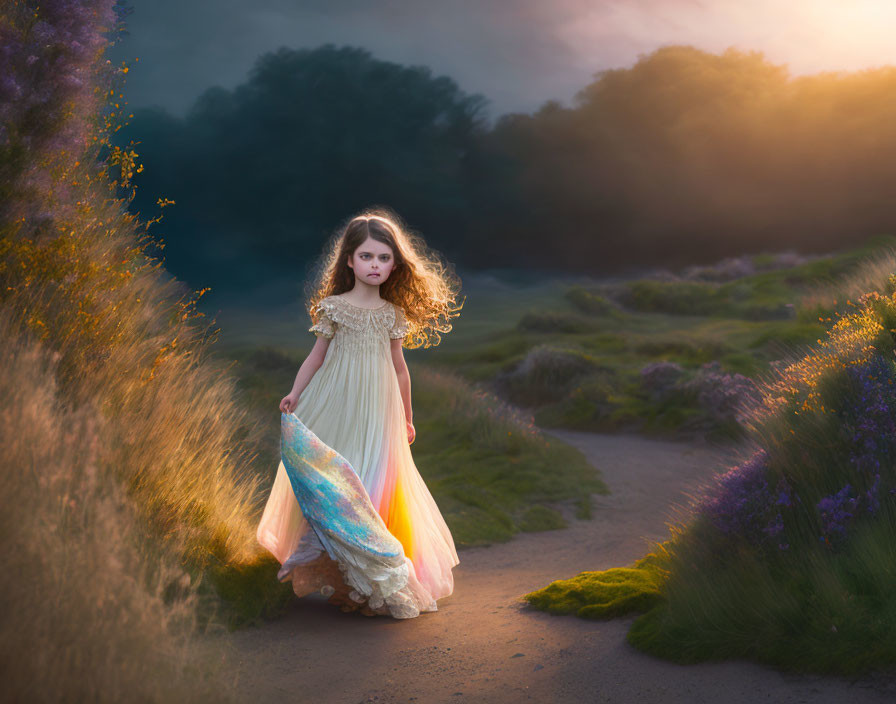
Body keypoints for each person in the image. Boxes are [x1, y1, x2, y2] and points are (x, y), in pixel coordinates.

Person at [256, 208, 463, 619]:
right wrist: (296, 393)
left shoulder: (392, 315)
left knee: (373, 484)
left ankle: (371, 586)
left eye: (384, 258)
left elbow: (400, 369)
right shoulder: (333, 308)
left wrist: (407, 416)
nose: (376, 265)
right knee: (340, 483)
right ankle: (349, 581)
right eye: (367, 256)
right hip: (336, 403)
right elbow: (316, 357)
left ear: (394, 264)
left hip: (379, 410)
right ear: (349, 259)